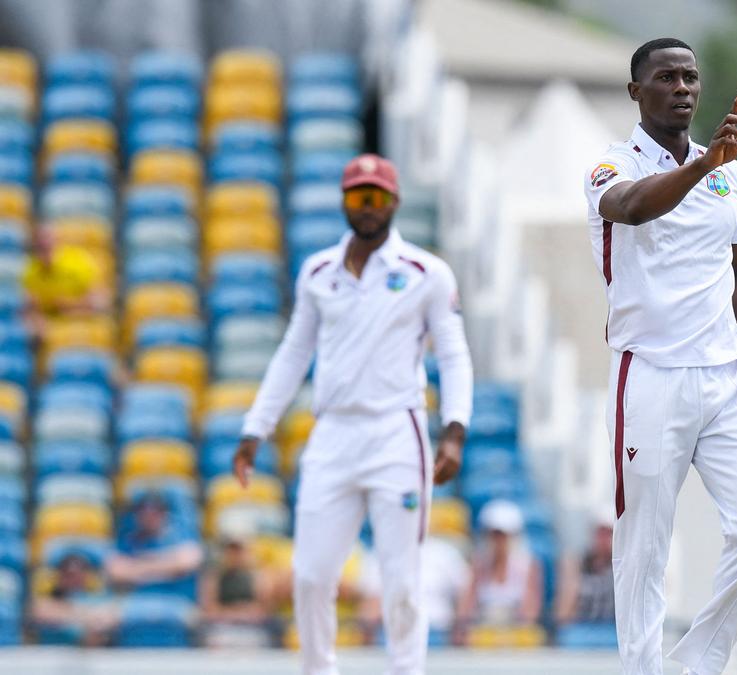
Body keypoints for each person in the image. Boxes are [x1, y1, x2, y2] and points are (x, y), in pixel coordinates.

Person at [582, 37, 737, 675]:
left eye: (690, 77)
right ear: (635, 91)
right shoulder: (611, 166)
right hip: (649, 376)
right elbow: (632, 208)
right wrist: (704, 166)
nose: (682, 88)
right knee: (645, 546)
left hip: (726, 378)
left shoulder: (730, 174)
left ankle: (698, 663)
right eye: (666, 77)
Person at [234, 153, 473, 675]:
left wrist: (454, 431)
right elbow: (294, 353)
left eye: (377, 197)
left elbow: (454, 354)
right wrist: (256, 428)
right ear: (344, 202)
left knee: (401, 580)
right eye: (359, 197)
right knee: (310, 576)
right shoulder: (318, 272)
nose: (368, 208)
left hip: (397, 433)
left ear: (395, 202)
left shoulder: (426, 273)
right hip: (333, 434)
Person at [453, 499, 542, 643]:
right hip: (482, 636)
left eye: (503, 535)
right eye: (494, 534)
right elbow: (466, 608)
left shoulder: (529, 566)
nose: (498, 541)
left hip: (515, 636)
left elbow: (530, 612)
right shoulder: (478, 566)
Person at [106, 492, 204, 597]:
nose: (149, 517)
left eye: (155, 512)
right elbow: (115, 572)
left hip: (176, 599)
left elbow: (188, 560)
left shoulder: (179, 536)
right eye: (143, 512)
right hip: (138, 600)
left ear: (165, 513)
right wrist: (169, 566)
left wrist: (136, 566)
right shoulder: (127, 542)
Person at [198, 529, 276, 647]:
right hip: (221, 629)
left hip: (253, 629)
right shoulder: (214, 577)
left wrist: (233, 613)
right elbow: (209, 610)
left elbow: (264, 611)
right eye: (231, 550)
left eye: (239, 550)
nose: (234, 555)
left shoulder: (259, 577)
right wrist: (237, 613)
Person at [21, 227, 108, 331]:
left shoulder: (77, 262)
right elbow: (29, 308)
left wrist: (70, 305)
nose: (45, 253)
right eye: (40, 248)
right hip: (50, 327)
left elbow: (101, 301)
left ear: (58, 243)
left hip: (83, 322)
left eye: (48, 247)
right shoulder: (30, 272)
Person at [30, 552, 118, 646]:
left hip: (94, 653)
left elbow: (111, 619)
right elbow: (40, 613)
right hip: (51, 652)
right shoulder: (47, 599)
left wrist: (66, 613)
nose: (73, 579)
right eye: (68, 574)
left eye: (79, 573)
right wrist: (85, 616)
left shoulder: (99, 598)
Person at [554, 510, 615, 627]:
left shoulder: (621, 568)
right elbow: (563, 613)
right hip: (581, 627)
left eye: (609, 534)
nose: (604, 539)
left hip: (612, 628)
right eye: (601, 533)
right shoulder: (576, 564)